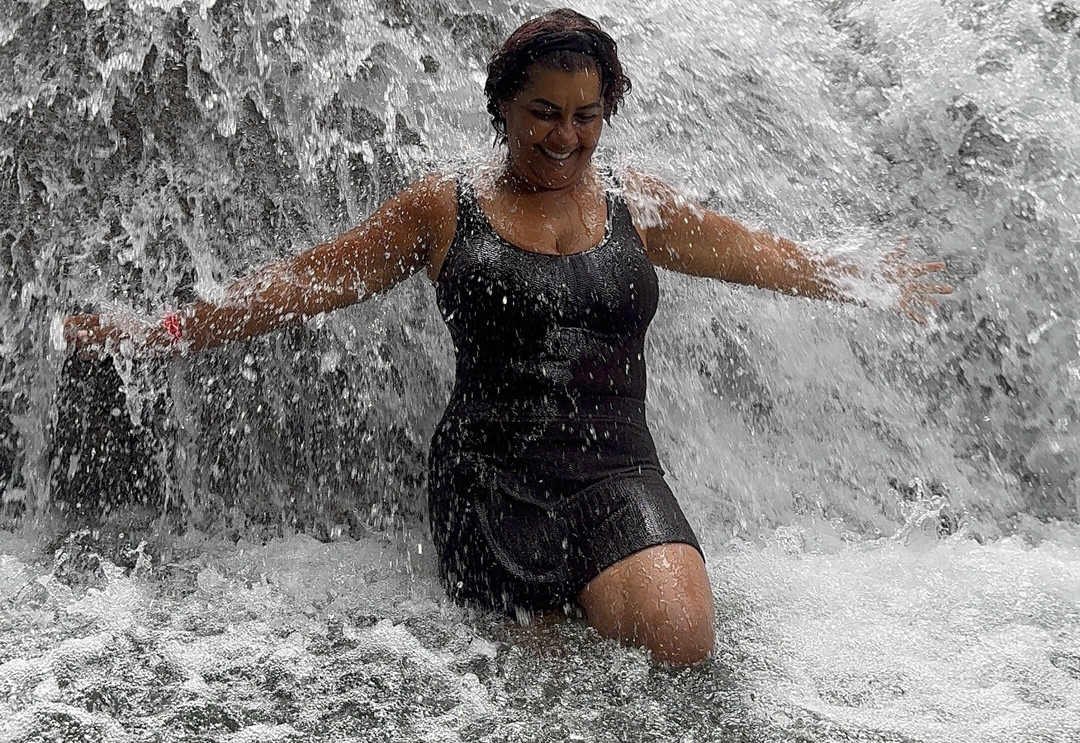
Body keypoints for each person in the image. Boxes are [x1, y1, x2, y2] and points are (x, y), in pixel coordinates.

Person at [65, 8, 950, 666]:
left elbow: (751, 254)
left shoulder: (633, 203)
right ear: (502, 107)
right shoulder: (443, 209)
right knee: (538, 688)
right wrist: (161, 332)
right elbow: (306, 281)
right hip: (493, 479)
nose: (565, 137)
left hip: (617, 471)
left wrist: (861, 282)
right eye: (544, 113)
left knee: (681, 651)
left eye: (586, 115)